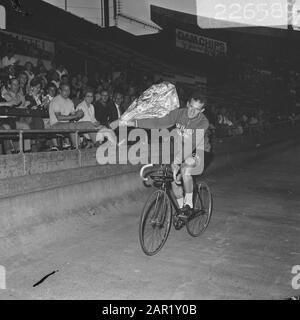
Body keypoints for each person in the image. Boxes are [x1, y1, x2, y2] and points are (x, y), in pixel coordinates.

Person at [111, 91, 211, 216]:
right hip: (182, 148)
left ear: (202, 110)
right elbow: (157, 123)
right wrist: (129, 123)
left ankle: (189, 205)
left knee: (185, 169)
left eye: (196, 110)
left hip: (199, 151)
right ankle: (182, 210)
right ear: (187, 104)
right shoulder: (179, 113)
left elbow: (192, 144)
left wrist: (176, 162)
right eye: (191, 107)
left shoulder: (203, 122)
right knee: (173, 180)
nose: (192, 111)